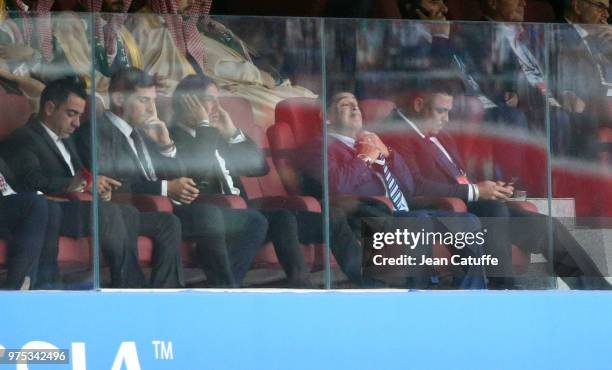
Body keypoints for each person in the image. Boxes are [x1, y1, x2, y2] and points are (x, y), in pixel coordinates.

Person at [382, 81, 611, 289]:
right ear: (419, 104)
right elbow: (414, 186)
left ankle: (598, 293)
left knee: (546, 227)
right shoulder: (396, 133)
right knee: (494, 211)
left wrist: (492, 189)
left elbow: (462, 176)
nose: (446, 119)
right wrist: (475, 191)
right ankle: (504, 287)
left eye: (449, 112)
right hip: (445, 213)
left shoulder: (441, 136)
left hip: (475, 205)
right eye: (441, 111)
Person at [79, 67, 267, 287]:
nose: (151, 109)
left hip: (163, 209)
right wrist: (166, 189)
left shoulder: (144, 131)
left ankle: (187, 290)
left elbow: (180, 176)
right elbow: (113, 183)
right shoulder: (97, 131)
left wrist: (167, 146)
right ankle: (222, 289)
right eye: (144, 100)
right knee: (205, 216)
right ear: (119, 98)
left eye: (153, 101)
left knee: (247, 219)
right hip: (129, 211)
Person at [3, 76, 184, 288]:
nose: (77, 123)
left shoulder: (69, 138)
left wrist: (99, 187)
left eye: (79, 115)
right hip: (55, 210)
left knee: (157, 219)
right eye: (71, 114)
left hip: (81, 206)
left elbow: (85, 176)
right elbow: (31, 181)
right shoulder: (25, 138)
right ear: (50, 108)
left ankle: (165, 291)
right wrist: (81, 185)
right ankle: (129, 288)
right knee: (111, 213)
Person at [300, 91, 487, 289]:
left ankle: (471, 294)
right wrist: (364, 159)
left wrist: (388, 154)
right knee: (418, 221)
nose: (355, 107)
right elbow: (336, 185)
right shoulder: (318, 146)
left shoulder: (369, 143)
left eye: (356, 103)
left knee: (468, 221)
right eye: (344, 104)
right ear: (326, 117)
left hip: (402, 212)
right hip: (367, 217)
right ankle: (421, 293)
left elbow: (408, 185)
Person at [170, 74, 320, 287]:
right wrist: (204, 126)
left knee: (283, 217)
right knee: (256, 220)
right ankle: (225, 289)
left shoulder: (217, 135)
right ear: (188, 104)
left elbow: (259, 167)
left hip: (240, 212)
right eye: (209, 100)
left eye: (217, 99)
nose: (216, 106)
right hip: (206, 214)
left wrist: (232, 132)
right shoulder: (173, 136)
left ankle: (302, 286)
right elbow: (197, 170)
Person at [550, 0, 611, 159]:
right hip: (589, 101)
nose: (606, 15)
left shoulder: (602, 36)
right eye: (600, 7)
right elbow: (562, 76)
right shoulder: (558, 33)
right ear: (577, 6)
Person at [0, 155, 61, 289]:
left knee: (51, 207)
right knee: (34, 204)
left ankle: (46, 284)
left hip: (9, 204)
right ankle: (17, 285)